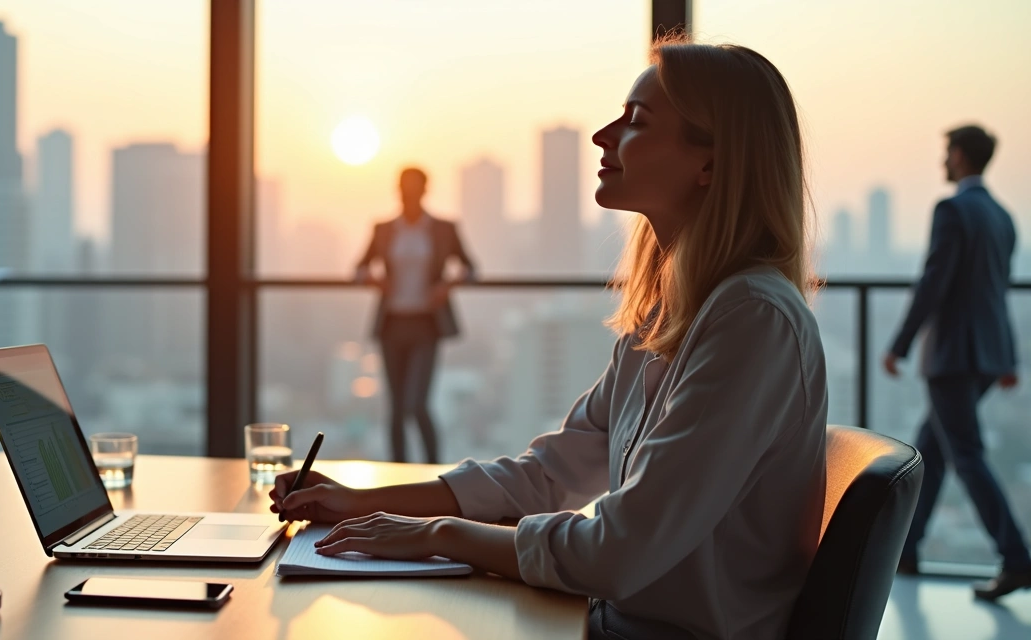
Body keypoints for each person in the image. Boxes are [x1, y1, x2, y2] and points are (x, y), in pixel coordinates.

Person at [274, 40, 827, 639]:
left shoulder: (752, 321)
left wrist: (436, 533)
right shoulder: (668, 312)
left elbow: (616, 551)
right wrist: (362, 501)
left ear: (712, 164)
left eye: (636, 121)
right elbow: (546, 476)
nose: (603, 136)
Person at [884, 124, 1030, 600]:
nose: (943, 162)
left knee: (964, 455)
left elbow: (934, 282)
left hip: (952, 356)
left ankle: (1017, 559)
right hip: (987, 356)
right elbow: (997, 292)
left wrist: (899, 344)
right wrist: (1008, 356)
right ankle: (906, 552)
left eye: (947, 153)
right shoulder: (1003, 217)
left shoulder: (952, 209)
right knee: (934, 449)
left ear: (962, 156)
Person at [354, 168, 475, 464]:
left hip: (426, 324)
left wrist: (446, 285)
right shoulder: (384, 229)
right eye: (404, 189)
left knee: (417, 403)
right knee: (395, 407)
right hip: (392, 323)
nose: (409, 195)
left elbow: (471, 269)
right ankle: (399, 469)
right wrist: (376, 280)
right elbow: (358, 269)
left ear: (424, 190)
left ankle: (433, 470)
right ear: (398, 190)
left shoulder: (443, 228)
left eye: (414, 188)